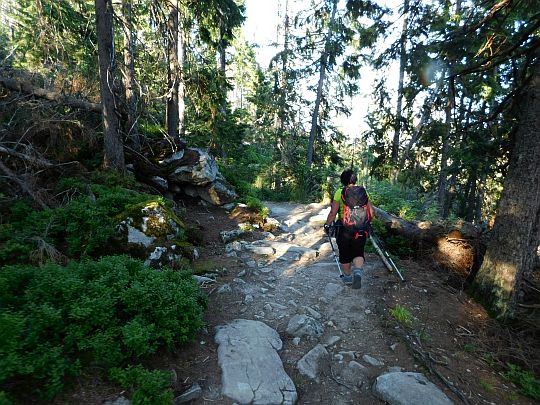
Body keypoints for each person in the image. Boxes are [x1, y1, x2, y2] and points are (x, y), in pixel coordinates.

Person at [324, 169, 375, 288]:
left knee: (345, 253)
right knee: (358, 252)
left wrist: (327, 224)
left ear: (343, 180)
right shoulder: (363, 191)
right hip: (361, 228)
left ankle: (347, 277)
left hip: (344, 229)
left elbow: (333, 212)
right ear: (355, 179)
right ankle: (357, 272)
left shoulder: (339, 192)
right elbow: (371, 212)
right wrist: (368, 223)